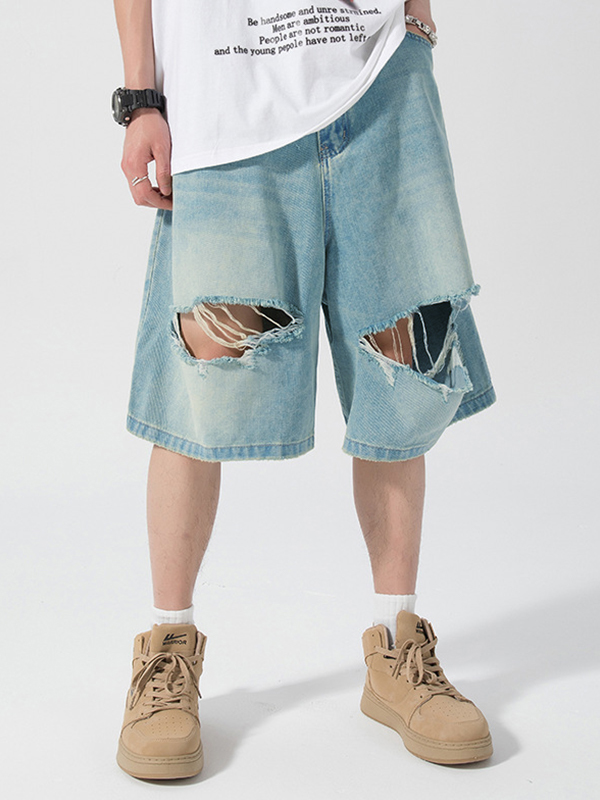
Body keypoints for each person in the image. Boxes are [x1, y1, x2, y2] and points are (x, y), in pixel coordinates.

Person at [112, 0, 496, 780]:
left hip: (379, 75)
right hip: (224, 96)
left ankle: (397, 649)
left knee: (404, 367)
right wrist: (141, 97)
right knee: (199, 383)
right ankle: (167, 653)